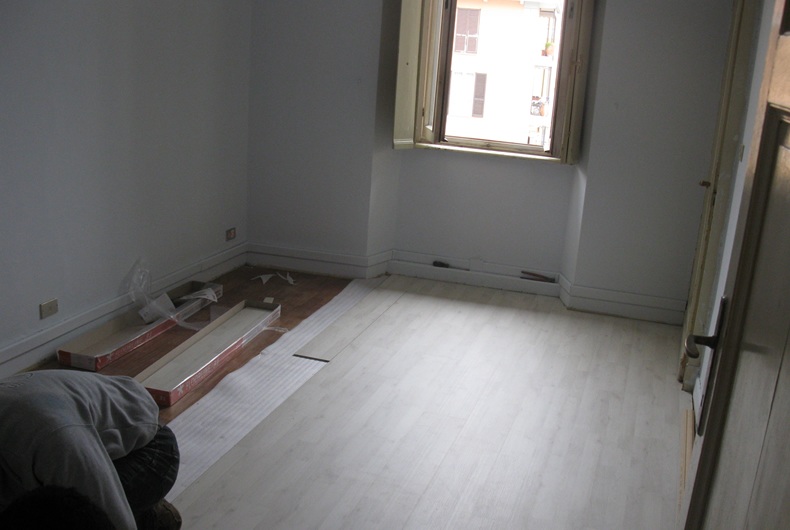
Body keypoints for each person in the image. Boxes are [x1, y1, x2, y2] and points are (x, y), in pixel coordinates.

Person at [0, 370, 181, 529]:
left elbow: (115, 523)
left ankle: (152, 519)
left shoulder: (55, 446)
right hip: (76, 432)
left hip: (150, 448)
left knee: (66, 518)